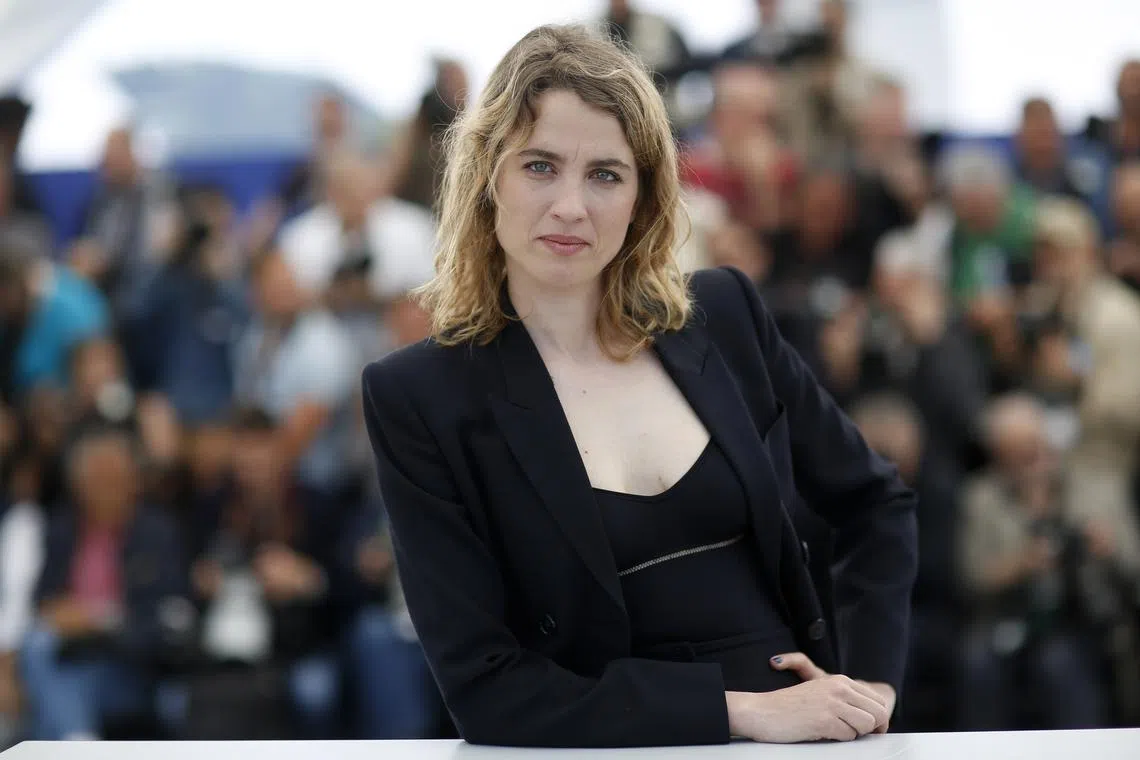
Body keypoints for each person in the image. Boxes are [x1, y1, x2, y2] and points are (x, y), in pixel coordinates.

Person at [361, 24, 917, 748]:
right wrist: (739, 711)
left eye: (605, 174)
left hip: (807, 743)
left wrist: (872, 686)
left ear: (642, 197)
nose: (571, 206)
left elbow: (876, 503)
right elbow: (486, 687)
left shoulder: (726, 317)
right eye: (539, 166)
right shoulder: (419, 396)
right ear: (487, 179)